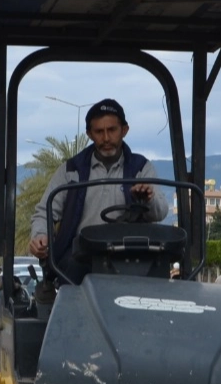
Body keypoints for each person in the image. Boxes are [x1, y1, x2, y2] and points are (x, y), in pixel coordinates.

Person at [28, 98, 169, 290]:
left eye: (112, 130)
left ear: (124, 130)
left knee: (157, 274)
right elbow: (45, 211)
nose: (106, 138)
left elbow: (160, 212)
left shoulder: (141, 169)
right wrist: (40, 236)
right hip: (85, 254)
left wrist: (147, 199)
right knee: (69, 271)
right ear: (89, 134)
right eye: (99, 132)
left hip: (131, 252)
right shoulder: (71, 171)